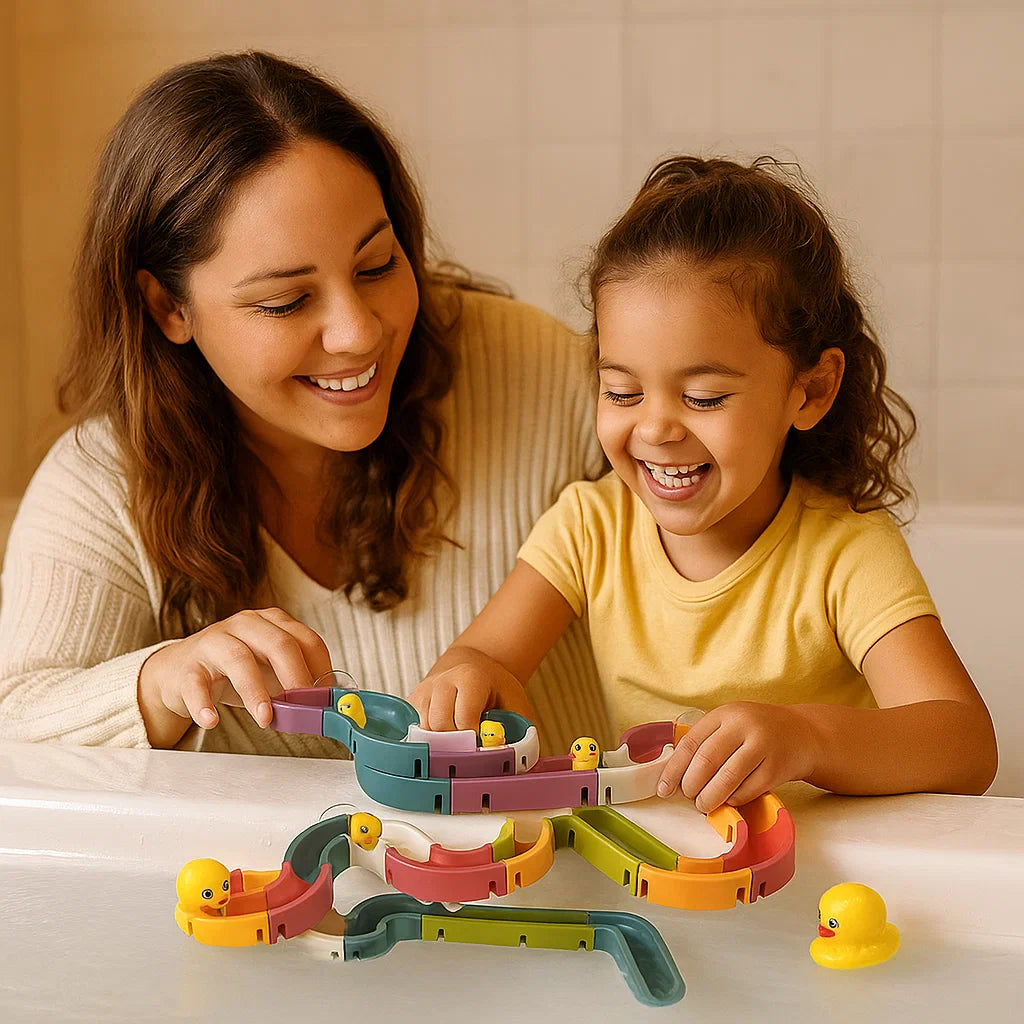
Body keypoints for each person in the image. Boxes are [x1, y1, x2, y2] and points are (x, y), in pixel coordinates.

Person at [0, 51, 609, 756]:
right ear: (168, 307)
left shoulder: (529, 368)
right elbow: (15, 726)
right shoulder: (103, 485)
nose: (359, 334)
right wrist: (155, 683)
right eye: (286, 301)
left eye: (377, 265)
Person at [410, 156, 999, 811]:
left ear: (811, 390)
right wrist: (466, 678)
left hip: (820, 885)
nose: (656, 428)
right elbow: (485, 656)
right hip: (670, 872)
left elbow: (966, 744)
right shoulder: (590, 526)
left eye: (705, 396)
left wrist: (808, 737)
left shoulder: (846, 552)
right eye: (622, 391)